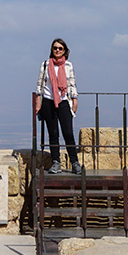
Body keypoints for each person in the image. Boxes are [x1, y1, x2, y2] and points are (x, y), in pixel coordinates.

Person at [35, 39, 82, 174]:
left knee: (68, 133)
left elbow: (72, 83)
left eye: (60, 48)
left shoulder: (68, 66)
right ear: (51, 49)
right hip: (48, 101)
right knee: (53, 133)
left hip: (63, 101)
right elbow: (40, 84)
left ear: (65, 51)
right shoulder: (45, 65)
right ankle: (56, 162)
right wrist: (38, 101)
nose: (57, 50)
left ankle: (75, 162)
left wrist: (75, 100)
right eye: (55, 48)